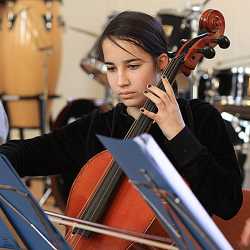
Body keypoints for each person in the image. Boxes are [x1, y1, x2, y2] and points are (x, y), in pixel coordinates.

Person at [0, 11, 242, 219]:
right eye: (111, 68)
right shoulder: (99, 126)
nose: (120, 81)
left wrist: (179, 136)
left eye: (133, 66)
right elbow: (27, 153)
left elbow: (228, 203)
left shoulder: (201, 119)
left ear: (161, 63)